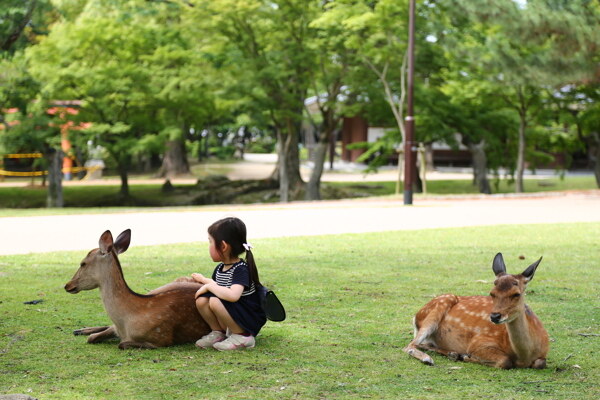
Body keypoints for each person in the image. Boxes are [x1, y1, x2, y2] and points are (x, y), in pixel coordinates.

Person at [192, 217, 266, 350]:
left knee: (214, 300)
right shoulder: (221, 268)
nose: (209, 246)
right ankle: (218, 333)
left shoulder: (240, 269)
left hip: (248, 318)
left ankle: (243, 336)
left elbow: (233, 296)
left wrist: (209, 286)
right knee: (202, 300)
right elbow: (219, 286)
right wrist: (204, 280)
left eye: (210, 242)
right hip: (235, 313)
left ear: (223, 246)